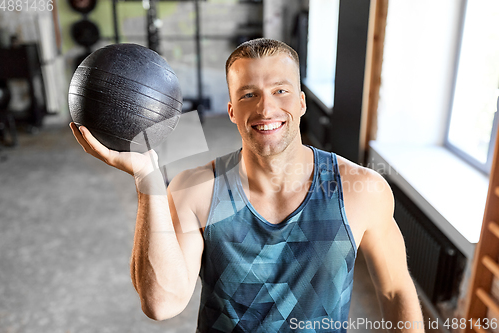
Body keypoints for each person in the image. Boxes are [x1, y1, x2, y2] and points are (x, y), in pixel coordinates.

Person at [70, 38, 425, 332]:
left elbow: (395, 292)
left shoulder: (361, 190)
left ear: (301, 103)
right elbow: (162, 304)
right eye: (248, 95)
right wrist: (147, 179)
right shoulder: (196, 189)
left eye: (280, 91)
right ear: (231, 111)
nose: (266, 108)